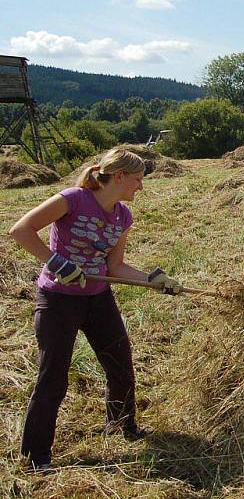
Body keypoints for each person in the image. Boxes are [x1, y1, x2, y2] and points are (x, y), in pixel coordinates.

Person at [8, 148, 182, 472]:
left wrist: (155, 280)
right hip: (58, 299)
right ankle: (36, 457)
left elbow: (115, 267)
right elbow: (20, 230)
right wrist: (56, 261)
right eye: (137, 180)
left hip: (97, 297)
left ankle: (121, 425)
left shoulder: (123, 217)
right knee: (53, 377)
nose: (140, 188)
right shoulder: (73, 199)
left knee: (120, 363)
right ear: (118, 177)